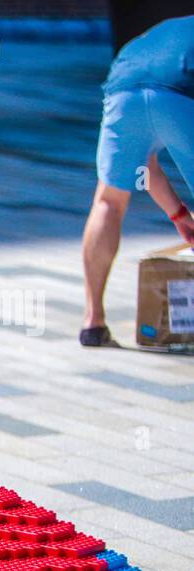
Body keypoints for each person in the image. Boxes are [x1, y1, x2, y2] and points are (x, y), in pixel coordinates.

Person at [82, 14, 194, 347]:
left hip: (124, 90)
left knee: (108, 201)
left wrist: (178, 214)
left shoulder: (165, 31)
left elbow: (144, 165)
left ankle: (93, 323)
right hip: (179, 91)